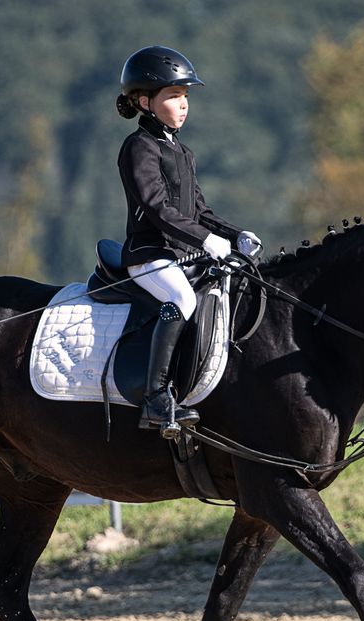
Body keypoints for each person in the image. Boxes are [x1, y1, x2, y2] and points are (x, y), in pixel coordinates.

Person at [115, 45, 261, 433]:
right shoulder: (138, 147)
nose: (184, 105)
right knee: (178, 299)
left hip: (183, 254)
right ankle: (157, 397)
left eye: (186, 96)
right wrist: (205, 240)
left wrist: (234, 234)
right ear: (144, 101)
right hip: (150, 255)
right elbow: (157, 207)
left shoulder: (182, 150)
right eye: (174, 96)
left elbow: (200, 211)